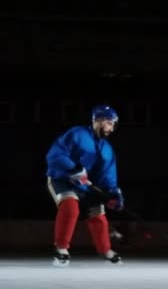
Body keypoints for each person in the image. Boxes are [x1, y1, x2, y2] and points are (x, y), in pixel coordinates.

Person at [45, 104, 125, 267]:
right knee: (70, 208)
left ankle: (105, 250)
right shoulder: (77, 134)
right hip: (61, 179)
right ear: (101, 120)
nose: (112, 128)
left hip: (85, 187)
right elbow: (54, 154)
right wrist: (73, 168)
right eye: (110, 123)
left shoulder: (107, 148)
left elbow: (108, 175)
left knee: (98, 214)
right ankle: (61, 249)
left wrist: (112, 193)